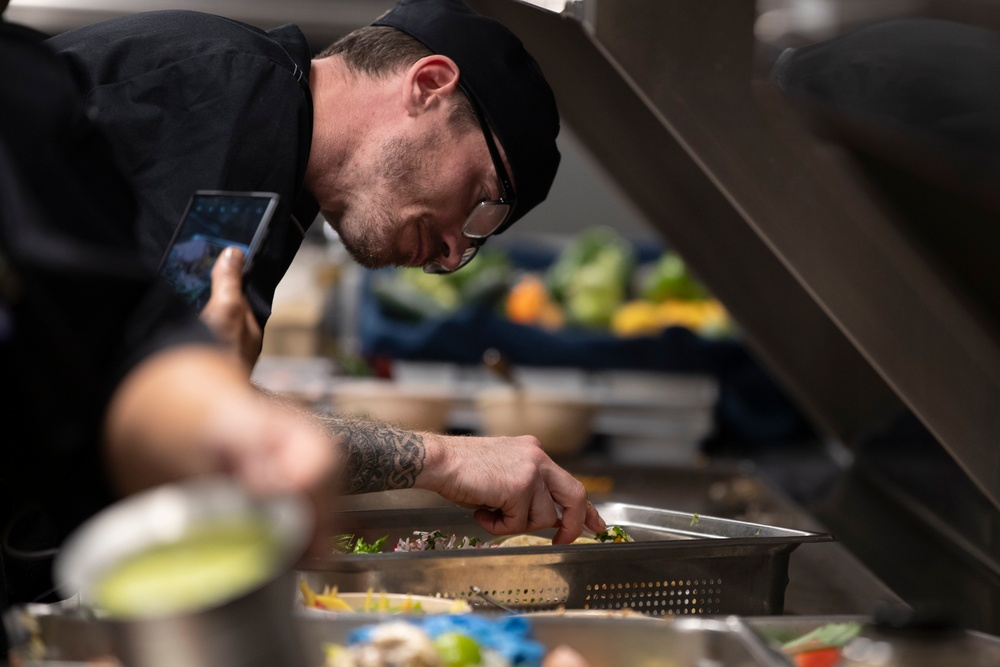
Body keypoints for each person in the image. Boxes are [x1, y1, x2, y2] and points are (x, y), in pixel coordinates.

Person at [42, 0, 603, 544]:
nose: (455, 254)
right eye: (485, 202)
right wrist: (446, 458)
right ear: (429, 85)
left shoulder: (274, 143)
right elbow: (163, 405)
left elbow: (180, 389)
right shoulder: (233, 104)